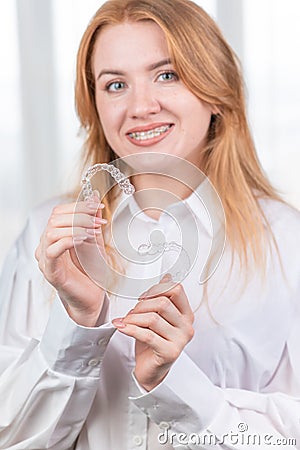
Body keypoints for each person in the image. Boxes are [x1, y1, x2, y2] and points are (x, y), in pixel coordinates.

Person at [0, 0, 299, 449]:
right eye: (115, 84)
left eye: (167, 74)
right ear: (94, 104)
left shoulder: (285, 241)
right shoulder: (48, 237)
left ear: (216, 91)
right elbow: (11, 437)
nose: (140, 106)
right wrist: (78, 325)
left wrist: (173, 383)